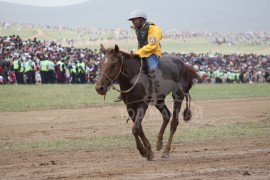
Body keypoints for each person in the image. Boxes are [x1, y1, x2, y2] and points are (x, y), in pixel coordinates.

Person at [114, 9, 163, 104]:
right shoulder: (137, 29)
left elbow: (152, 46)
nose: (133, 22)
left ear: (142, 19)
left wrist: (138, 52)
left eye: (135, 20)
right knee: (126, 68)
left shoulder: (153, 28)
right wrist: (138, 52)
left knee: (152, 70)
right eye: (132, 20)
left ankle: (154, 93)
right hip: (141, 53)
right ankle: (123, 93)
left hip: (152, 53)